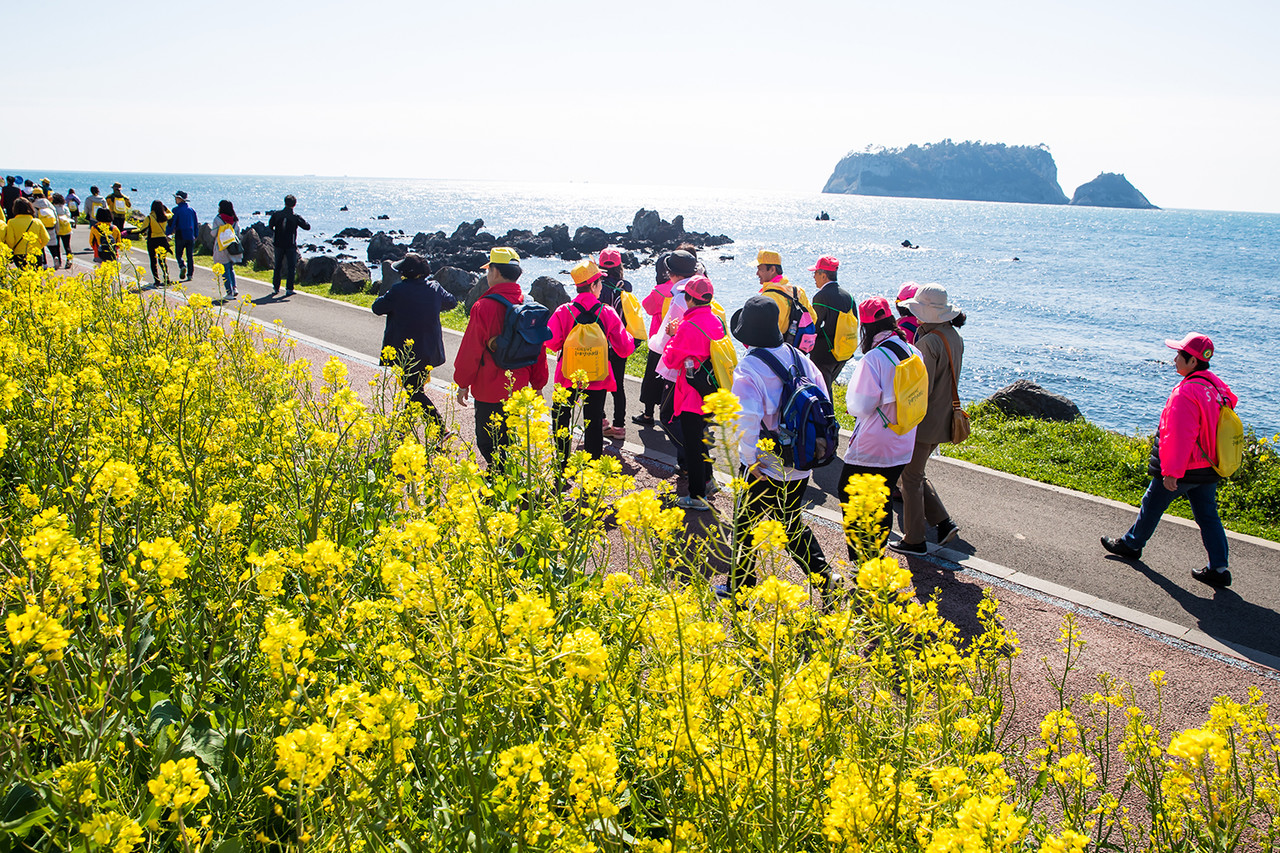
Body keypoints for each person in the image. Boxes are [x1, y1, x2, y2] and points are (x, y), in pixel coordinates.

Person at [1101, 334, 1236, 588]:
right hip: (1210, 466)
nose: (1174, 359)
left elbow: (1179, 436)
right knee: (1208, 516)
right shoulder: (1217, 388)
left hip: (1186, 467)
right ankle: (1219, 568)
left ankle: (1131, 544)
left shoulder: (1186, 392)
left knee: (1152, 504)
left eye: (1179, 355)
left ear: (1193, 361)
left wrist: (1172, 471)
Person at [724, 295, 834, 606]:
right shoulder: (799, 357)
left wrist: (748, 459)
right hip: (801, 459)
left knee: (745, 526)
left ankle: (740, 590)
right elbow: (822, 398)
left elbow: (746, 418)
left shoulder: (749, 366)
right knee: (789, 523)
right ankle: (826, 577)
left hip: (766, 463)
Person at [837, 297, 922, 557]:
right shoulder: (912, 351)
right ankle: (876, 558)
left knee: (850, 495)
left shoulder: (875, 358)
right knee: (882, 500)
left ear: (867, 326)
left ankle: (862, 561)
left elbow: (859, 407)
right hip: (904, 439)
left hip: (874, 443)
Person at [454, 247, 549, 466]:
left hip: (490, 388)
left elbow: (471, 350)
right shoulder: (528, 305)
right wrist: (538, 385)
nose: (487, 275)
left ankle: (502, 484)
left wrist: (462, 383)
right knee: (510, 440)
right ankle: (509, 483)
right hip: (520, 387)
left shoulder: (483, 306)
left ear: (495, 272)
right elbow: (539, 349)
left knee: (488, 442)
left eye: (489, 271)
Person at [893, 283, 965, 554]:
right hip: (945, 415)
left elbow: (919, 387)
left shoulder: (927, 342)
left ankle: (914, 539)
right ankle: (944, 524)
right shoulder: (953, 336)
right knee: (915, 473)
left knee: (909, 477)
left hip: (925, 419)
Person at [545, 260, 636, 462]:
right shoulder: (607, 312)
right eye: (600, 283)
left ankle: (561, 465)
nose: (601, 286)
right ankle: (593, 468)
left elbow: (551, 342)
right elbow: (625, 348)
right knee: (594, 422)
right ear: (594, 285)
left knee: (561, 419)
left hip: (567, 375)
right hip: (597, 376)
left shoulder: (563, 311)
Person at [372, 253, 457, 433]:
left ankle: (441, 429)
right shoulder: (434, 288)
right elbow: (451, 302)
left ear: (404, 273)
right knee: (414, 389)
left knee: (414, 391)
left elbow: (377, 308)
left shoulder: (398, 290)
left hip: (406, 352)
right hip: (429, 350)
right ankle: (402, 430)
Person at [660, 274, 724, 510]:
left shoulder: (689, 326)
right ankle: (708, 482)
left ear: (689, 298)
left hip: (691, 396)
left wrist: (672, 335)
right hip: (711, 391)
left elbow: (670, 359)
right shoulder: (716, 321)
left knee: (693, 446)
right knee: (701, 439)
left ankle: (697, 497)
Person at [597, 248, 635, 438]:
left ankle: (602, 422)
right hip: (620, 343)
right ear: (619, 266)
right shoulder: (625, 286)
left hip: (600, 343)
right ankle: (619, 427)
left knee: (600, 382)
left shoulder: (597, 287)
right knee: (618, 386)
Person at [809, 255, 856, 390]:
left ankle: (826, 411)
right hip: (843, 352)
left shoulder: (821, 296)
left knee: (821, 389)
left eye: (815, 273)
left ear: (823, 275)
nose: (813, 277)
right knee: (827, 387)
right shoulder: (848, 296)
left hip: (825, 353)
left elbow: (815, 326)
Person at [756, 249, 816, 352]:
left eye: (760, 269)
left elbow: (763, 334)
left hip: (776, 352)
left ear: (772, 270)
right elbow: (813, 318)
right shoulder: (797, 291)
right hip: (796, 352)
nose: (757, 273)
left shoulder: (767, 298)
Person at [268, 194, 311, 295]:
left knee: (277, 265)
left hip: (278, 243)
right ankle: (289, 288)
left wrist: (276, 232)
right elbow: (307, 227)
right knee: (291, 267)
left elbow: (270, 225)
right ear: (294, 205)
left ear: (285, 202)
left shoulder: (276, 214)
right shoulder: (295, 217)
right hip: (290, 244)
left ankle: (276, 287)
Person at [2, 199, 51, 268]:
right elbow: (46, 238)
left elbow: (10, 241)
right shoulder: (37, 222)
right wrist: (38, 247)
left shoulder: (12, 222)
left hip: (19, 254)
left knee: (22, 275)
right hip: (35, 254)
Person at [211, 200, 241, 299]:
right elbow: (237, 232)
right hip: (232, 246)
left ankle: (229, 292)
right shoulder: (234, 219)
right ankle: (234, 287)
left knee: (224, 269)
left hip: (221, 246)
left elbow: (213, 233)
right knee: (230, 268)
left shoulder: (218, 219)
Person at [139, 201, 173, 284]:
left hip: (152, 240)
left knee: (153, 261)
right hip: (162, 240)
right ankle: (166, 278)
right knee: (163, 261)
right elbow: (171, 214)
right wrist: (165, 208)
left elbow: (142, 229)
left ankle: (156, 280)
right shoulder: (165, 216)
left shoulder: (149, 217)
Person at [167, 191, 199, 281]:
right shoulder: (192, 210)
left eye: (176, 198)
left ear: (180, 199)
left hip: (180, 234)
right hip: (190, 235)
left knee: (178, 254)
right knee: (190, 256)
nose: (175, 200)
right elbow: (196, 223)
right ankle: (190, 275)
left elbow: (172, 223)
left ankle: (182, 266)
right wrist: (196, 234)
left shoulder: (176, 210)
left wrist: (168, 233)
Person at [31, 190, 57, 267]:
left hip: (41, 228)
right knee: (52, 245)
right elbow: (55, 214)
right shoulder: (48, 203)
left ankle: (44, 263)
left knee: (41, 246)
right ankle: (55, 257)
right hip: (51, 227)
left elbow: (34, 217)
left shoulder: (34, 205)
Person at [50, 193, 74, 269]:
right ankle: (69, 260)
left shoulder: (53, 208)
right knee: (67, 246)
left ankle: (58, 261)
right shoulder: (65, 208)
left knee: (57, 246)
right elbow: (68, 216)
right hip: (66, 229)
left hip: (56, 229)